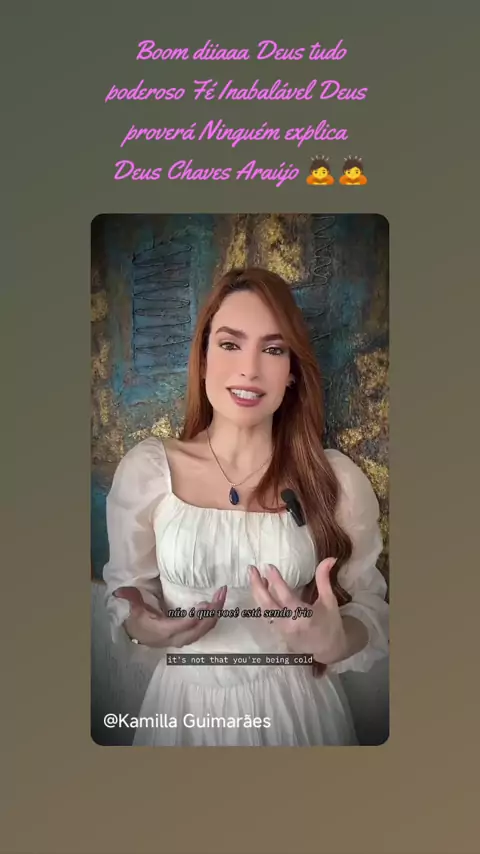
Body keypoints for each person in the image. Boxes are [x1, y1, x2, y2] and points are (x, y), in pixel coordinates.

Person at [103, 267, 389, 746]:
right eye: (230, 344)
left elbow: (370, 605)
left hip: (300, 716)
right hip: (184, 715)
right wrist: (143, 624)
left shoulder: (334, 479)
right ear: (202, 359)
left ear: (292, 371)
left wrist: (337, 638)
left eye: (273, 349)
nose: (249, 369)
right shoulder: (148, 471)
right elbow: (128, 590)